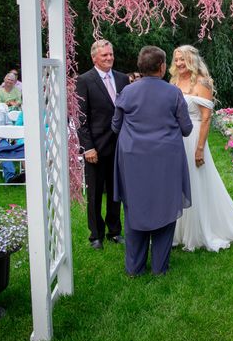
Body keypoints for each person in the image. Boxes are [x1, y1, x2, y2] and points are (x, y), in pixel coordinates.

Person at [170, 45, 233, 251]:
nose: (178, 63)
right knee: (177, 181)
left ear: (192, 60)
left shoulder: (202, 83)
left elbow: (206, 118)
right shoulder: (174, 82)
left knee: (195, 181)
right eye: (176, 59)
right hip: (175, 138)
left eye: (182, 59)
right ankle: (178, 230)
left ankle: (200, 230)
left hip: (195, 135)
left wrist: (199, 148)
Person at [112, 46, 193, 276]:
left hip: (132, 159)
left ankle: (134, 268)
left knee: (134, 206)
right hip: (165, 159)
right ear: (161, 67)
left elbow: (115, 125)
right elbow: (186, 128)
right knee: (165, 205)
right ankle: (159, 267)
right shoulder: (173, 92)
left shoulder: (127, 92)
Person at [76, 39, 129, 250]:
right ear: (94, 57)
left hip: (120, 145)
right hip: (95, 147)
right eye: (105, 55)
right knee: (95, 192)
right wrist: (87, 147)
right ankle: (95, 234)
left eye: (111, 54)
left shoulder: (123, 78)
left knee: (117, 190)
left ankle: (114, 231)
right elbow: (81, 117)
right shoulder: (84, 80)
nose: (109, 58)